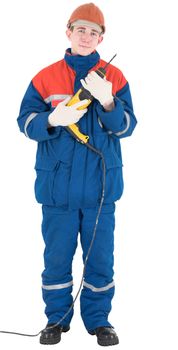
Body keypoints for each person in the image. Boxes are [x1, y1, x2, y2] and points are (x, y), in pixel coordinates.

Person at [17, 2, 137, 346]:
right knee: (56, 258)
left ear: (102, 38)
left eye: (94, 32)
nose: (87, 37)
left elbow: (127, 126)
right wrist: (52, 119)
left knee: (100, 260)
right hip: (57, 189)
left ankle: (99, 320)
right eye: (80, 30)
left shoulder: (115, 77)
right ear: (68, 32)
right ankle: (56, 319)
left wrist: (110, 103)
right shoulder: (45, 77)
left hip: (101, 188)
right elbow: (24, 121)